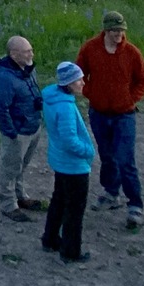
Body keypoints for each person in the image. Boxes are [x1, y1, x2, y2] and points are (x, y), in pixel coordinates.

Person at [76, 9, 144, 229]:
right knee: (107, 156)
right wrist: (91, 93)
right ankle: (111, 194)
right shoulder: (90, 49)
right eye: (114, 30)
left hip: (124, 115)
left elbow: (143, 81)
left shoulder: (132, 53)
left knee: (126, 160)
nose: (118, 34)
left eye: (121, 30)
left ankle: (135, 205)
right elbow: (79, 74)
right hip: (99, 113)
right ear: (105, 30)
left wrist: (130, 100)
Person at [40, 60, 96, 263]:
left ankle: (50, 239)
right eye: (79, 79)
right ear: (69, 83)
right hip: (73, 166)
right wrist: (88, 150)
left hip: (60, 161)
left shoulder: (51, 98)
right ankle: (71, 252)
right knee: (75, 209)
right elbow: (69, 139)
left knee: (59, 200)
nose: (83, 82)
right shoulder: (64, 107)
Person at [0, 35, 46, 221]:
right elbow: (0, 108)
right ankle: (8, 205)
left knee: (21, 165)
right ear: (14, 54)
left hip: (32, 126)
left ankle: (20, 196)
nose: (32, 53)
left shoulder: (28, 70)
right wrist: (11, 132)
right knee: (9, 168)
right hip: (18, 131)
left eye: (31, 50)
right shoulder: (5, 78)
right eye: (27, 51)